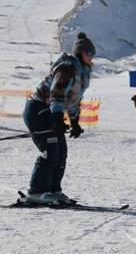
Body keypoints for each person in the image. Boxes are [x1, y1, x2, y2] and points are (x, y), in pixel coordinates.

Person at [22, 32, 95, 205]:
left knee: (61, 151)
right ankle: (37, 191)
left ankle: (53, 189)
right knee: (51, 150)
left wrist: (75, 122)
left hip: (49, 112)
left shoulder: (80, 72)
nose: (91, 58)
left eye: (92, 54)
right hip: (39, 110)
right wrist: (57, 117)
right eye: (89, 54)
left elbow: (73, 99)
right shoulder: (67, 68)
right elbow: (56, 93)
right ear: (80, 53)